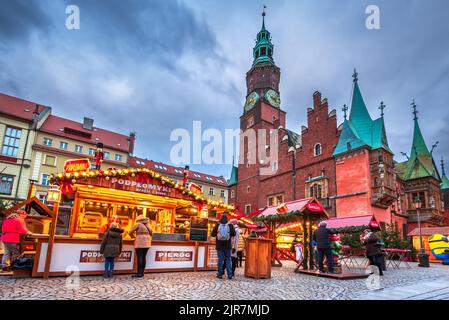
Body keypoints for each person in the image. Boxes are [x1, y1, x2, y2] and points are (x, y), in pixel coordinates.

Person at [211, 214, 236, 279]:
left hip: (219, 246)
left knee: (220, 260)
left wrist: (217, 233)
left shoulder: (217, 224)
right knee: (228, 259)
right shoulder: (230, 225)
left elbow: (212, 234)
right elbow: (234, 233)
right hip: (228, 246)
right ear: (227, 218)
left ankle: (220, 274)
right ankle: (229, 275)